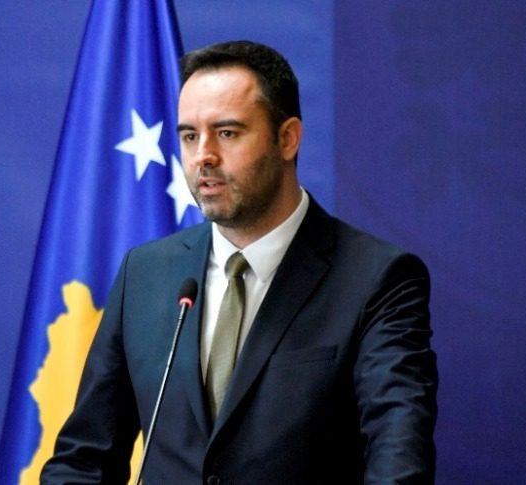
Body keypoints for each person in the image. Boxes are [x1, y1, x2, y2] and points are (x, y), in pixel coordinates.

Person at [41, 40, 437, 484]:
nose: (203, 156)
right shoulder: (145, 273)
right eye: (189, 136)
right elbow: (85, 460)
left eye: (227, 133)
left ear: (287, 138)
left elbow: (397, 459)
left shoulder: (377, 279)